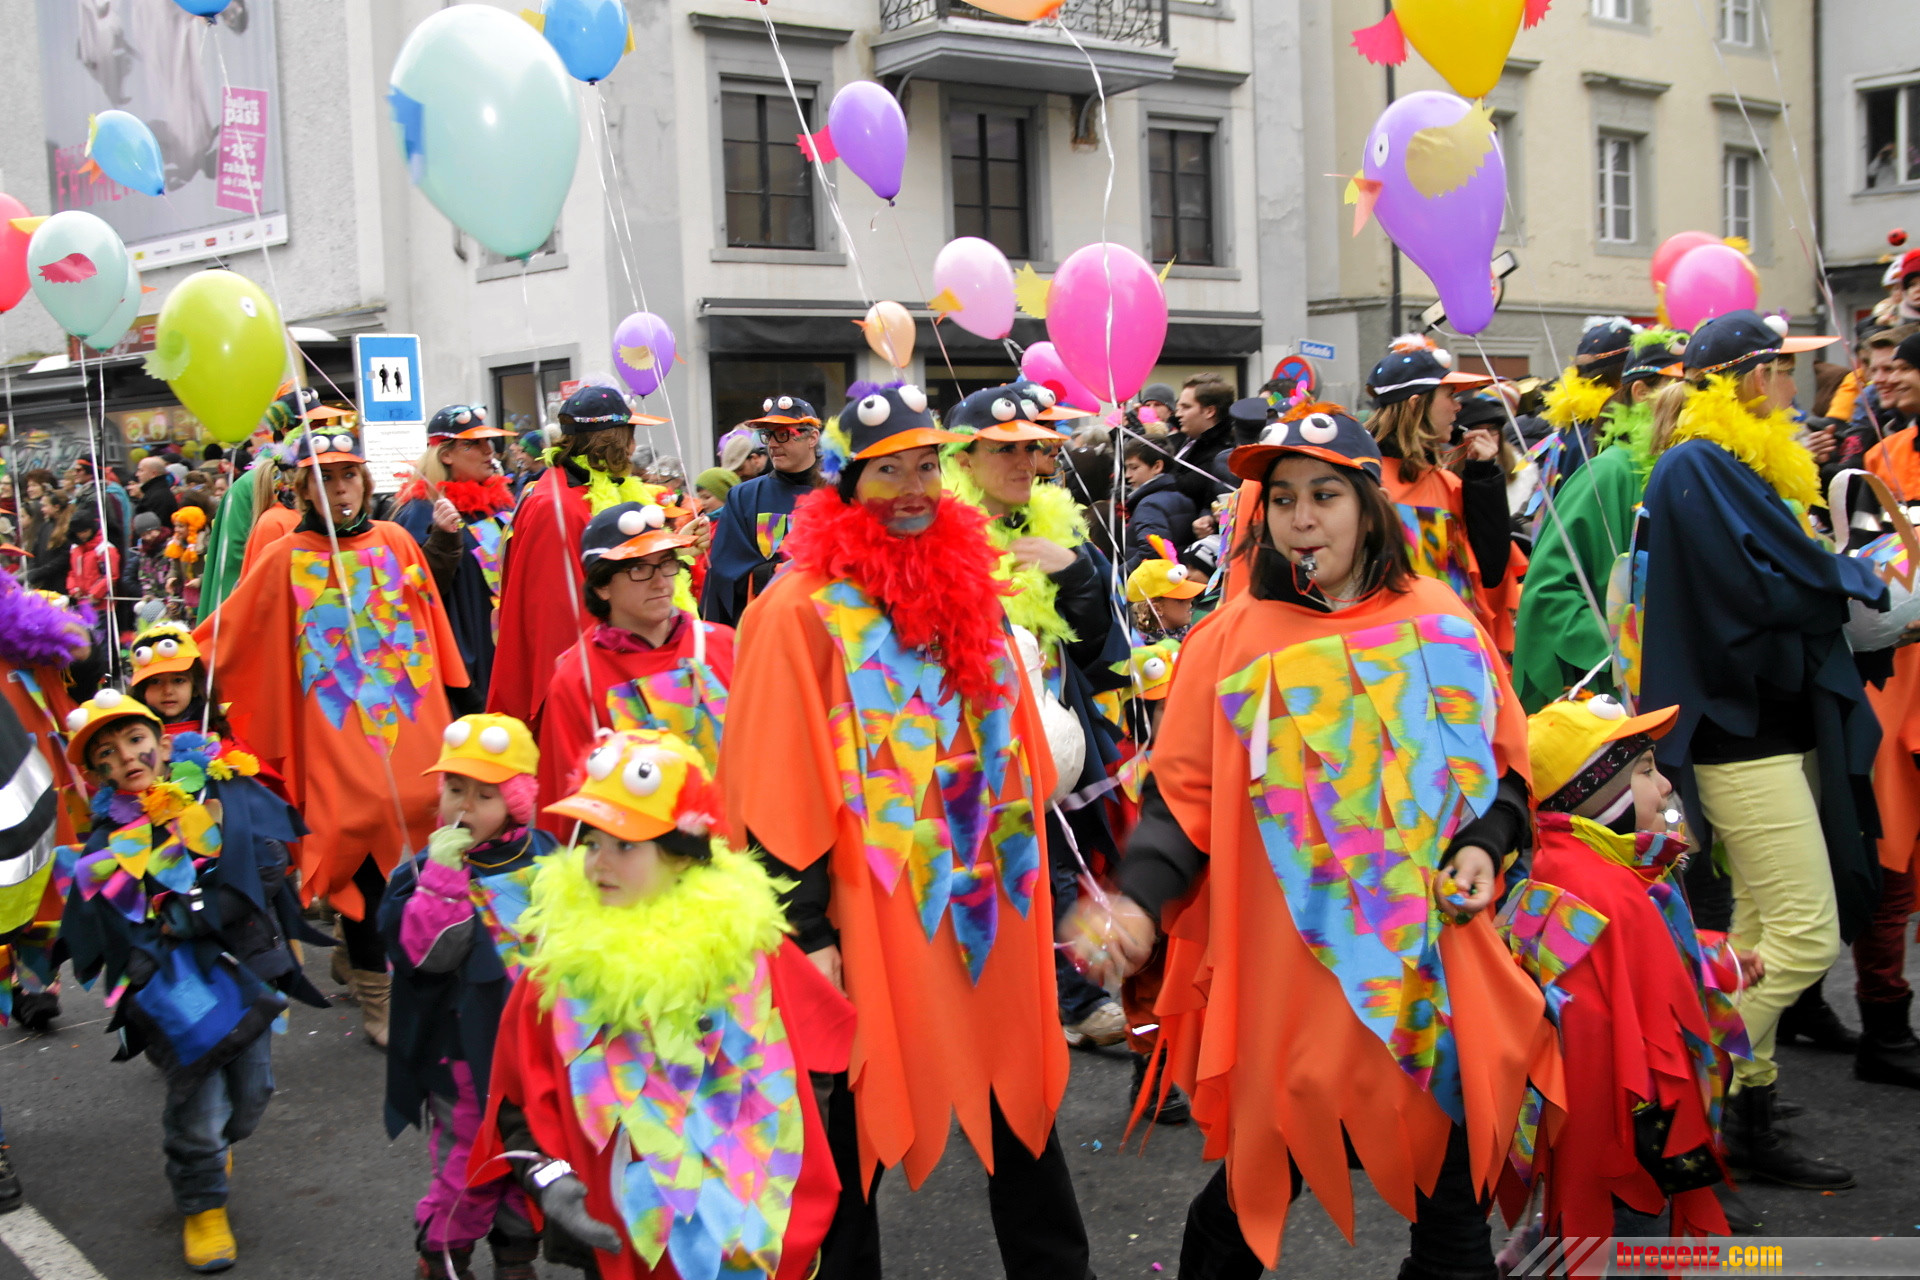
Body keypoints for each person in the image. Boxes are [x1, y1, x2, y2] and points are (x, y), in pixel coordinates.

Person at [1079, 403, 1557, 1277]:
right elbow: (1180, 802)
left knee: (1455, 1228)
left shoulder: (1442, 619)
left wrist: (1487, 843)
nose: (1301, 517)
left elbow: (1506, 769)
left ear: (1368, 508)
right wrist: (1139, 901)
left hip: (1433, 976)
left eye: (1325, 495)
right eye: (1284, 497)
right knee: (1246, 1205)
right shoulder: (1227, 640)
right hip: (1298, 988)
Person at [721, 383, 1094, 1279]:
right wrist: (809, 932)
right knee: (859, 1115)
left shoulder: (972, 586)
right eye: (890, 471)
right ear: (848, 486)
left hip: (990, 898)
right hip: (875, 913)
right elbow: (775, 778)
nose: (916, 488)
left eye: (927, 465)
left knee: (1018, 1101)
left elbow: (1015, 743)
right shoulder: (797, 609)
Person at [1639, 310, 1882, 1189]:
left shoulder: (1725, 463)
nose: (1794, 383)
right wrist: (1856, 578)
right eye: (1782, 367)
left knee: (1754, 936)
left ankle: (1744, 1116)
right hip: (1740, 740)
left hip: (1765, 730)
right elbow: (1757, 590)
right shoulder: (1696, 463)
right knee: (1807, 939)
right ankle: (1685, 1098)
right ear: (1749, 376)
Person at [473, 728, 855, 1280]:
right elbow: (517, 1101)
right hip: (622, 1239)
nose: (600, 863)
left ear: (684, 857)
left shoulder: (751, 955)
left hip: (751, 1237)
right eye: (592, 842)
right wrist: (550, 1181)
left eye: (626, 845)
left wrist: (781, 1161)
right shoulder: (559, 966)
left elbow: (813, 1064)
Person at [195, 425, 469, 1051]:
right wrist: (170, 662)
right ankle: (379, 995)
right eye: (325, 478)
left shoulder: (397, 539)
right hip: (334, 726)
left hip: (409, 717)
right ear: (302, 491)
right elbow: (233, 632)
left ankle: (387, 960)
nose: (340, 488)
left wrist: (452, 697)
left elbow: (429, 618)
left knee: (422, 837)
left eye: (349, 475)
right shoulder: (283, 556)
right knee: (357, 837)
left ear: (364, 483)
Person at [58, 690, 330, 1272]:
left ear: (162, 743)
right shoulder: (108, 840)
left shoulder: (220, 791)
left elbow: (269, 863)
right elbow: (119, 921)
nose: (126, 757)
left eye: (135, 740)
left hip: (248, 968)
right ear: (97, 775)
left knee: (252, 1094)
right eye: (107, 755)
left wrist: (208, 897)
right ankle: (202, 1200)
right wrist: (159, 932)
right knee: (199, 1110)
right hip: (175, 989)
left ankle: (214, 1148)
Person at [1510, 696, 1749, 1243]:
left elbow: (1642, 965)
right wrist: (1719, 966)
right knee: (1624, 1241)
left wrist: (1716, 955)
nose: (1664, 786)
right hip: (1626, 1130)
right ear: (1594, 794)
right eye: (1644, 770)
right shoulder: (1606, 889)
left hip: (1592, 1127)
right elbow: (1658, 1001)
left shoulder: (1568, 864)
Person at [944, 382, 1136, 1059]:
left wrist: (1076, 572)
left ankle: (1073, 1001)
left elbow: (1101, 645)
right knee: (990, 875)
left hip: (1054, 735)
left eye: (1032, 448)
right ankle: (1006, 1013)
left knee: (1062, 861)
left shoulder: (1056, 527)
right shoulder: (936, 538)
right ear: (962, 459)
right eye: (1005, 450)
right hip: (972, 742)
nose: (1025, 463)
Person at [381, 714, 556, 1280]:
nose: (465, 805)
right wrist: (443, 877)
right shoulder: (425, 871)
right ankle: (443, 1256)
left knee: (531, 1155)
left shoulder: (550, 857)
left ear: (517, 800)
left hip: (533, 1051)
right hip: (459, 1055)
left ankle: (516, 1255)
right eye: (455, 789)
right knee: (468, 1165)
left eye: (485, 794)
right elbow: (428, 954)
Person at [1512, 328, 1690, 711]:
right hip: (1620, 692)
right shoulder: (1610, 472)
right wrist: (1620, 651)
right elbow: (1547, 593)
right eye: (1682, 387)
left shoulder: (1688, 471)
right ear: (1641, 392)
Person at [534, 502, 733, 838]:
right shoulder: (577, 678)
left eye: (666, 564)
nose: (660, 583)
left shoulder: (722, 644)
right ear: (602, 586)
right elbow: (569, 808)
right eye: (639, 569)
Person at [490, 385, 669, 725]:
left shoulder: (594, 490)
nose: (634, 448)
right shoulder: (556, 507)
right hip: (584, 692)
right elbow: (560, 623)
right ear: (615, 440)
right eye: (630, 436)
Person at [1363, 339, 1513, 640]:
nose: (1459, 406)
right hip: (1386, 647)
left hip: (1452, 645)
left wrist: (1483, 476)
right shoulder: (1360, 480)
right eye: (1450, 395)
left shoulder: (1448, 482)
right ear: (1416, 403)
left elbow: (1491, 570)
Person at [393, 405, 516, 716]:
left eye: (488, 441)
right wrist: (442, 540)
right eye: (473, 444)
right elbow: (414, 594)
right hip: (463, 661)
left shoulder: (497, 506)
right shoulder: (420, 512)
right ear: (446, 455)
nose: (489, 450)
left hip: (504, 650)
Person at [700, 396, 825, 627]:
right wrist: (780, 573)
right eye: (768, 435)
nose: (773, 444)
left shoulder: (842, 493)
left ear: (812, 437)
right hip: (767, 627)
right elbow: (725, 574)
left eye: (784, 434)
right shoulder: (743, 497)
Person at [1121, 437, 1197, 574]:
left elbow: (1153, 550)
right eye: (1127, 468)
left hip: (1154, 582)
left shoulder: (1149, 505)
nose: (1127, 475)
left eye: (1134, 468)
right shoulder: (1183, 498)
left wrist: (1118, 575)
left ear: (1157, 466)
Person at [1169, 373, 1239, 507]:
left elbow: (1187, 489)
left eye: (1186, 407)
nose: (1178, 414)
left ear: (1209, 411)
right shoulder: (1181, 439)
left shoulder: (1223, 454)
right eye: (1178, 407)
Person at [1125, 534, 1202, 640]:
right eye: (1180, 600)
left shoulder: (1191, 633)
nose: (1191, 601)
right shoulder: (1148, 646)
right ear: (1157, 608)